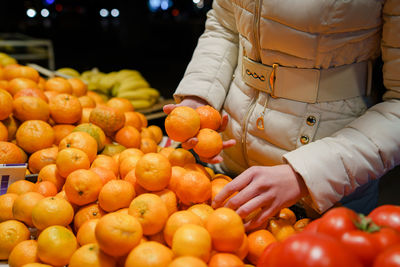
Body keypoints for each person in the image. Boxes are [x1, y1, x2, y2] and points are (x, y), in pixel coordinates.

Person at [163, 0, 400, 231]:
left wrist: (306, 173)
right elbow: (225, 26)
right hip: (229, 164)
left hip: (323, 191)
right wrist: (200, 97)